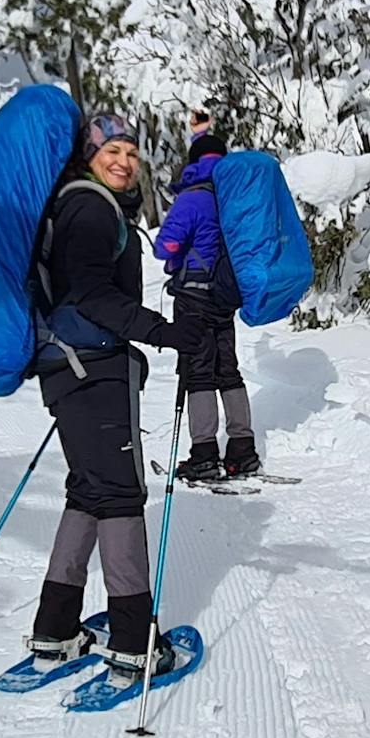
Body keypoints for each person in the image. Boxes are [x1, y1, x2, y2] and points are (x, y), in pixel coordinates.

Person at [26, 114, 196, 682]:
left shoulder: (78, 205)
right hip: (92, 366)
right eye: (111, 150)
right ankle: (133, 644)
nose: (123, 160)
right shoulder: (92, 208)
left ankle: (55, 632)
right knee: (121, 495)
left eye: (130, 151)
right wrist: (162, 331)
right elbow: (94, 294)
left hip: (68, 365)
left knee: (89, 491)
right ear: (89, 155)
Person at [156, 126, 262, 483]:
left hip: (193, 297)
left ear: (194, 162)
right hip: (224, 297)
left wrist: (179, 254)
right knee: (228, 369)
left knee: (198, 372)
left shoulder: (193, 197)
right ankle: (242, 451)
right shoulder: (233, 195)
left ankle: (204, 455)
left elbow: (164, 248)